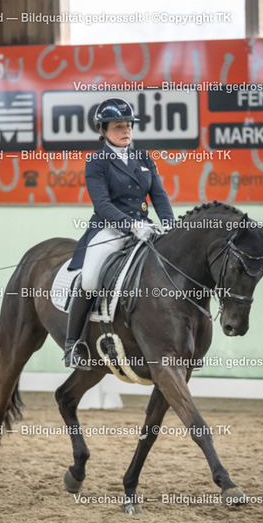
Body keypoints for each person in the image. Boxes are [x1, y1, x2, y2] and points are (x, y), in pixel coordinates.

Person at [64, 97, 175, 369]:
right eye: (118, 126)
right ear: (102, 130)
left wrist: (169, 224)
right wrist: (131, 225)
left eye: (128, 125)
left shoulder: (144, 158)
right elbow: (102, 204)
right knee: (90, 278)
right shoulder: (96, 162)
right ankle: (73, 344)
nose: (126, 131)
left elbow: (159, 196)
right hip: (109, 229)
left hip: (145, 228)